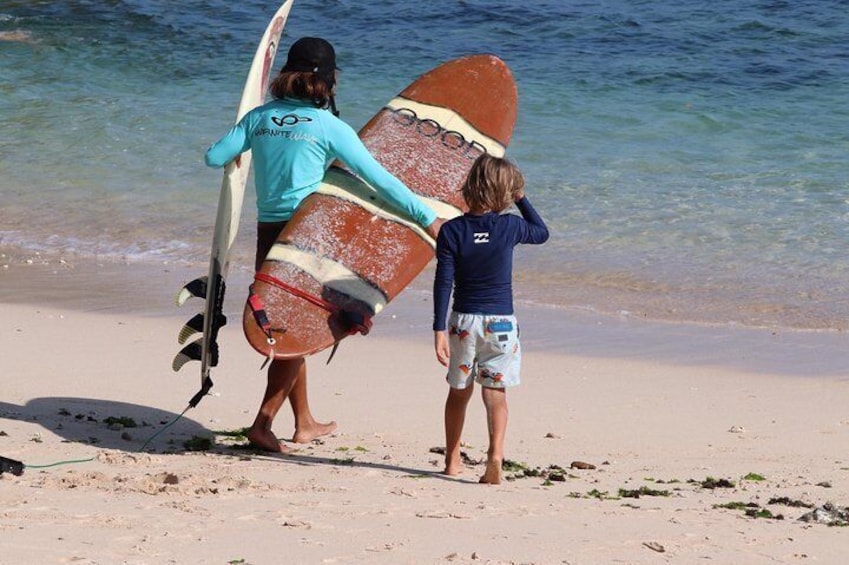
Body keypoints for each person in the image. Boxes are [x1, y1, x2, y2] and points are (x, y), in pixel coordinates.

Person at [205, 37, 444, 453]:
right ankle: (262, 424)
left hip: (269, 235)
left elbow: (213, 156)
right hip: (308, 236)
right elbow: (380, 180)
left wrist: (241, 152)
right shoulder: (330, 127)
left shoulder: (259, 119)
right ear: (329, 80)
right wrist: (427, 216)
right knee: (294, 328)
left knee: (287, 325)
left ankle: (305, 422)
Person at [432, 154, 549, 484]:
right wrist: (522, 199)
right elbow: (542, 232)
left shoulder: (452, 231)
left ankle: (453, 460)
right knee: (495, 394)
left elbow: (444, 281)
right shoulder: (510, 226)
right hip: (501, 325)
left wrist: (439, 328)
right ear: (505, 193)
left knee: (459, 392)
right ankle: (495, 456)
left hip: (464, 324)